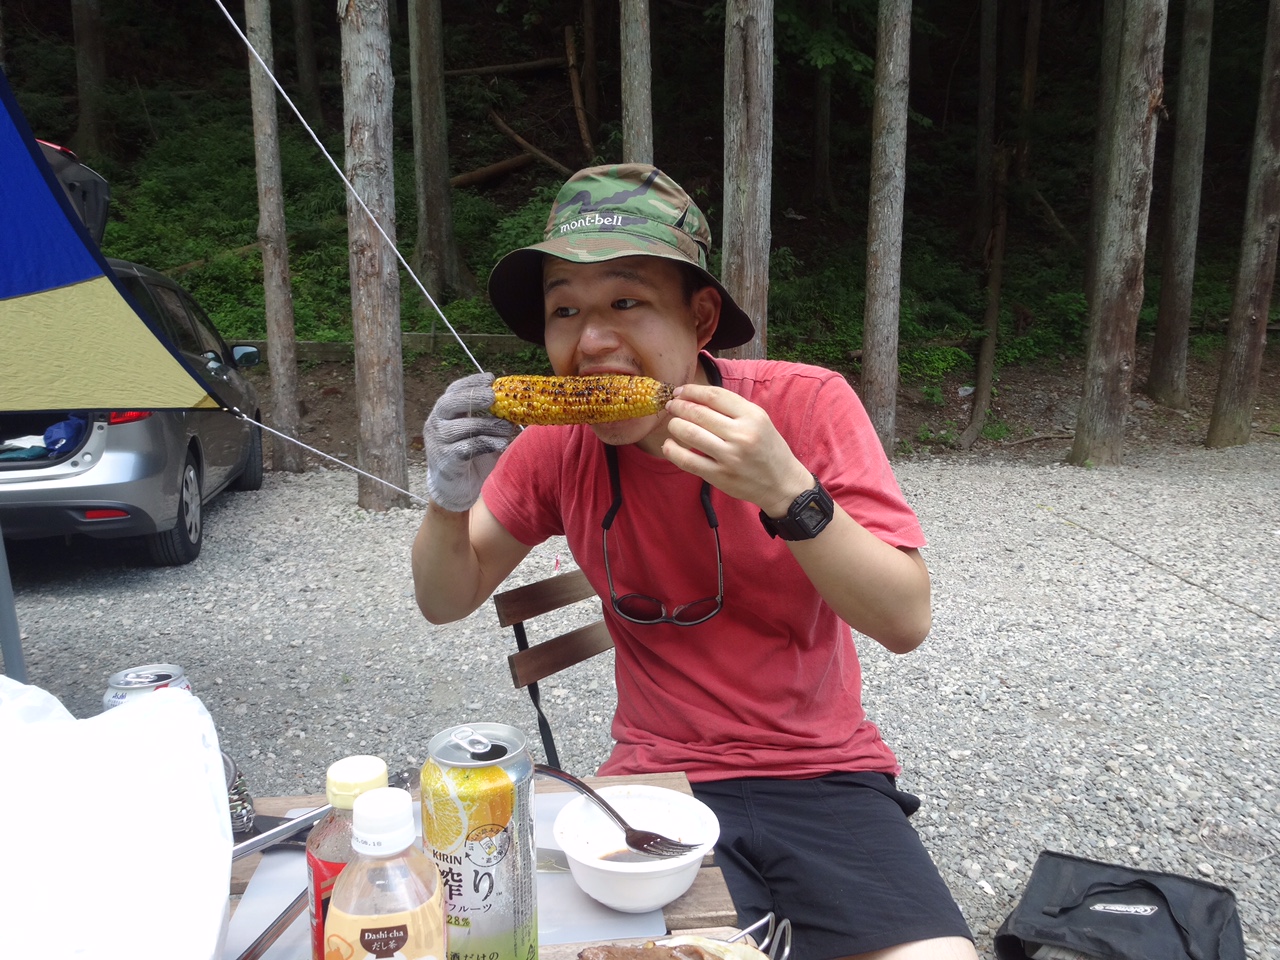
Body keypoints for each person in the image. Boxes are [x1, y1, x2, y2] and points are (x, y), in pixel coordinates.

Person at [412, 164, 979, 960]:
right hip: (655, 781)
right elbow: (446, 597)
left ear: (701, 317)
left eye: (626, 302)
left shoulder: (805, 405)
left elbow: (905, 620)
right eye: (564, 310)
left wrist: (787, 490)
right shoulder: (554, 448)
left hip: (823, 771)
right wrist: (446, 500)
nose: (591, 341)